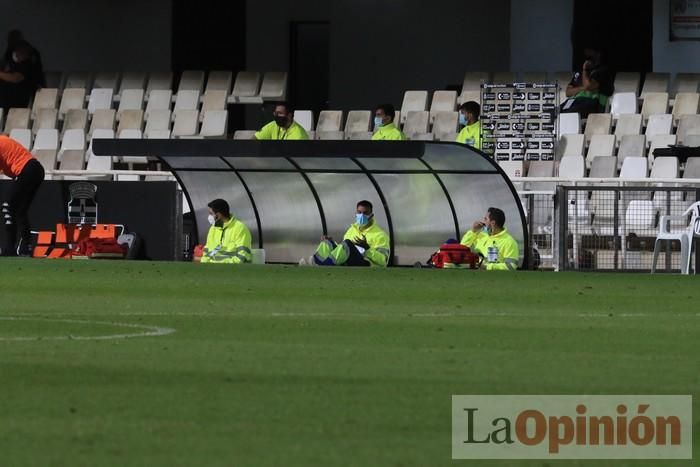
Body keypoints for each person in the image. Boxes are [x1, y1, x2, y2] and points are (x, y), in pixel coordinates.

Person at [306, 200, 390, 267]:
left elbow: (383, 261)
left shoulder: (380, 235)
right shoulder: (352, 229)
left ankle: (323, 265)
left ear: (371, 215)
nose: (362, 215)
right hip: (349, 261)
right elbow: (342, 250)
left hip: (365, 265)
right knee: (327, 243)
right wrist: (332, 242)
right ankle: (316, 261)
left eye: (365, 213)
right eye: (359, 212)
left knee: (347, 243)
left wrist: (368, 249)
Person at [0, 135, 45, 256]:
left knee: (7, 206)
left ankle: (10, 248)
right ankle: (26, 247)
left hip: (27, 170)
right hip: (36, 170)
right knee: (20, 211)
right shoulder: (3, 141)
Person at [200, 199, 252, 264]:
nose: (209, 217)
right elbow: (206, 253)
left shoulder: (240, 228)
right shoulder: (213, 229)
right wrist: (204, 266)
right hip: (212, 270)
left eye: (211, 214)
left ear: (218, 215)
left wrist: (218, 264)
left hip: (233, 271)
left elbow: (242, 257)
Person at [0, 41, 40, 112]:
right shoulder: (14, 65)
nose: (16, 54)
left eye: (18, 51)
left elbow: (15, 78)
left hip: (15, 105)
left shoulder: (28, 66)